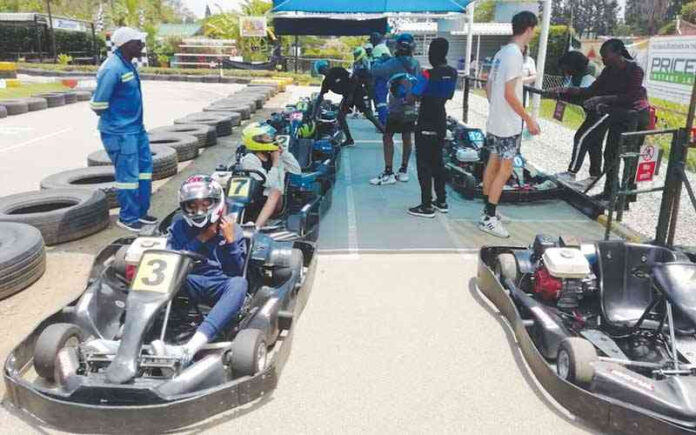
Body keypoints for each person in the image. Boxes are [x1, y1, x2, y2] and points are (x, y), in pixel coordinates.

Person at [151, 175, 247, 366]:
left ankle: (190, 348)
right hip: (187, 281)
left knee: (239, 284)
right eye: (192, 206)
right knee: (157, 277)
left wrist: (230, 242)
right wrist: (201, 239)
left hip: (219, 285)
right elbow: (171, 262)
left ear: (216, 202)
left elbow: (235, 271)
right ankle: (129, 335)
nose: (199, 210)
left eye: (205, 204)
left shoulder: (231, 229)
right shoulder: (179, 227)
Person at [554, 39, 650, 205]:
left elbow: (630, 97)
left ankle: (626, 197)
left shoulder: (635, 70)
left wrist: (603, 98)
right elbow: (591, 91)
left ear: (618, 53)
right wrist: (565, 90)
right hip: (618, 116)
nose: (603, 59)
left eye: (606, 56)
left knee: (630, 157)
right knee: (610, 154)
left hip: (636, 116)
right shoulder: (608, 71)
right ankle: (609, 193)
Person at [480, 11, 541, 238]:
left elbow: (489, 86)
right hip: (508, 124)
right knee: (504, 170)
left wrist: (496, 108)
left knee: (492, 165)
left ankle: (488, 211)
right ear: (529, 28)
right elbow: (510, 93)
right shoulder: (515, 54)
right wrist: (528, 119)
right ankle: (489, 218)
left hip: (496, 121)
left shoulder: (501, 52)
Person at [90, 27, 156, 232]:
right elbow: (98, 104)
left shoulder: (127, 64)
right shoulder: (112, 68)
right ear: (126, 44)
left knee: (144, 171)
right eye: (138, 42)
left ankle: (140, 212)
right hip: (120, 133)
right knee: (128, 177)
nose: (142, 45)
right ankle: (127, 217)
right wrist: (118, 121)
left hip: (136, 130)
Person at [407, 38, 458, 218]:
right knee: (438, 161)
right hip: (440, 120)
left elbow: (412, 97)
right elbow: (446, 95)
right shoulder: (453, 73)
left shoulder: (427, 74)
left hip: (426, 120)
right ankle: (442, 201)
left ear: (432, 53)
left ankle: (426, 205)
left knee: (424, 164)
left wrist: (407, 92)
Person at [370, 33, 421, 186]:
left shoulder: (392, 63)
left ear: (398, 46)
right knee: (407, 136)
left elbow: (374, 70)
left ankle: (388, 172)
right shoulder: (416, 63)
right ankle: (403, 171)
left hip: (396, 107)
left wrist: (379, 60)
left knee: (388, 136)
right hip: (411, 106)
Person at [552, 50, 606, 187]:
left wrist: (563, 93)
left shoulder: (590, 71)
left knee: (581, 138)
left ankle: (571, 173)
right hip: (594, 113)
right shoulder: (576, 73)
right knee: (594, 144)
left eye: (566, 68)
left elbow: (584, 94)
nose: (565, 72)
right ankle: (595, 176)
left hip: (602, 112)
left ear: (573, 65)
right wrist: (559, 92)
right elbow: (568, 89)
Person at [239, 122, 301, 228]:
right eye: (266, 137)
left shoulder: (275, 154)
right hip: (256, 199)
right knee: (274, 191)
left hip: (276, 201)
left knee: (275, 192)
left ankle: (255, 228)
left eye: (270, 136)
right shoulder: (250, 159)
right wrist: (275, 163)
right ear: (256, 141)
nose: (271, 139)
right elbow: (268, 182)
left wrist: (284, 153)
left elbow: (296, 170)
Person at [313, 60, 384, 147]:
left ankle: (386, 134)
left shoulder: (337, 70)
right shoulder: (326, 82)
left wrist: (350, 95)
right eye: (321, 70)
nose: (324, 70)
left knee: (369, 115)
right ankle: (349, 139)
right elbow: (321, 96)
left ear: (327, 66)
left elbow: (354, 78)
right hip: (347, 97)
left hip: (358, 92)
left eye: (324, 68)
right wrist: (314, 113)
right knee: (340, 116)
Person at [370, 32, 392, 125]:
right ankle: (383, 120)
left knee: (380, 101)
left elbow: (375, 66)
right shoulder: (384, 47)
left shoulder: (377, 49)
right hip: (386, 77)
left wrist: (373, 80)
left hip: (380, 78)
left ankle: (383, 122)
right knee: (383, 100)